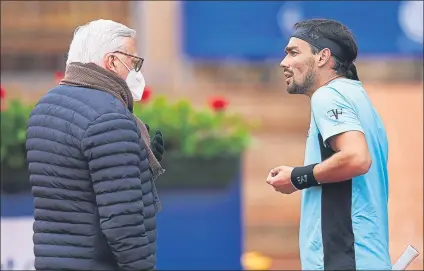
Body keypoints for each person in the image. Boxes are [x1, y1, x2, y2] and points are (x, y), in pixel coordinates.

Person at [26, 19, 165, 270]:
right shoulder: (109, 115)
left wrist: (134, 162)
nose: (136, 72)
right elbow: (122, 219)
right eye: (134, 62)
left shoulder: (46, 106)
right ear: (112, 61)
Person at [266, 19, 391, 270]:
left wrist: (297, 177)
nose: (284, 62)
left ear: (322, 56)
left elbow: (356, 158)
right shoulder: (357, 97)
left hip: (343, 260)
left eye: (293, 53)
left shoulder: (328, 95)